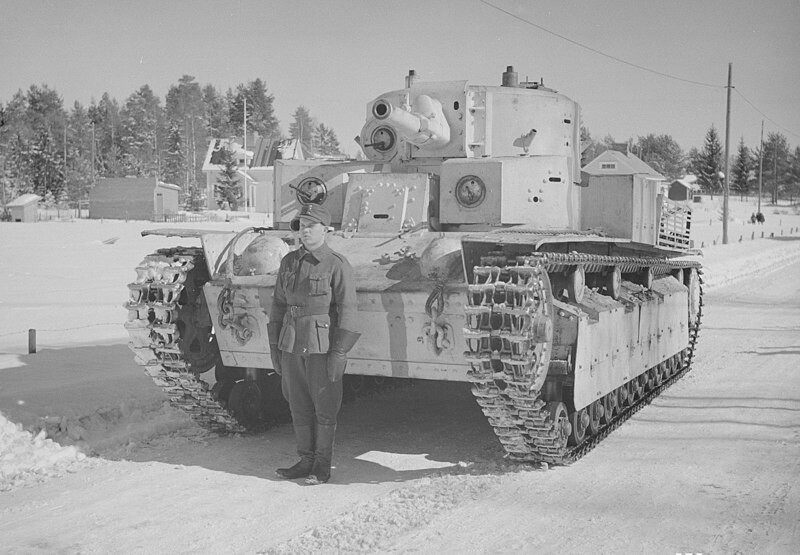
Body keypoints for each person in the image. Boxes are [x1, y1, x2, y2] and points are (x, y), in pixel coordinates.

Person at [267, 203, 360, 485]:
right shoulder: (289, 263)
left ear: (325, 229)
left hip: (321, 345)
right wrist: (274, 348)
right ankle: (304, 460)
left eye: (311, 226)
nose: (305, 231)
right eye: (301, 226)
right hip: (291, 342)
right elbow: (278, 306)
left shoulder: (336, 263)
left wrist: (339, 352)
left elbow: (349, 309)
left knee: (324, 406)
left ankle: (322, 465)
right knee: (298, 404)